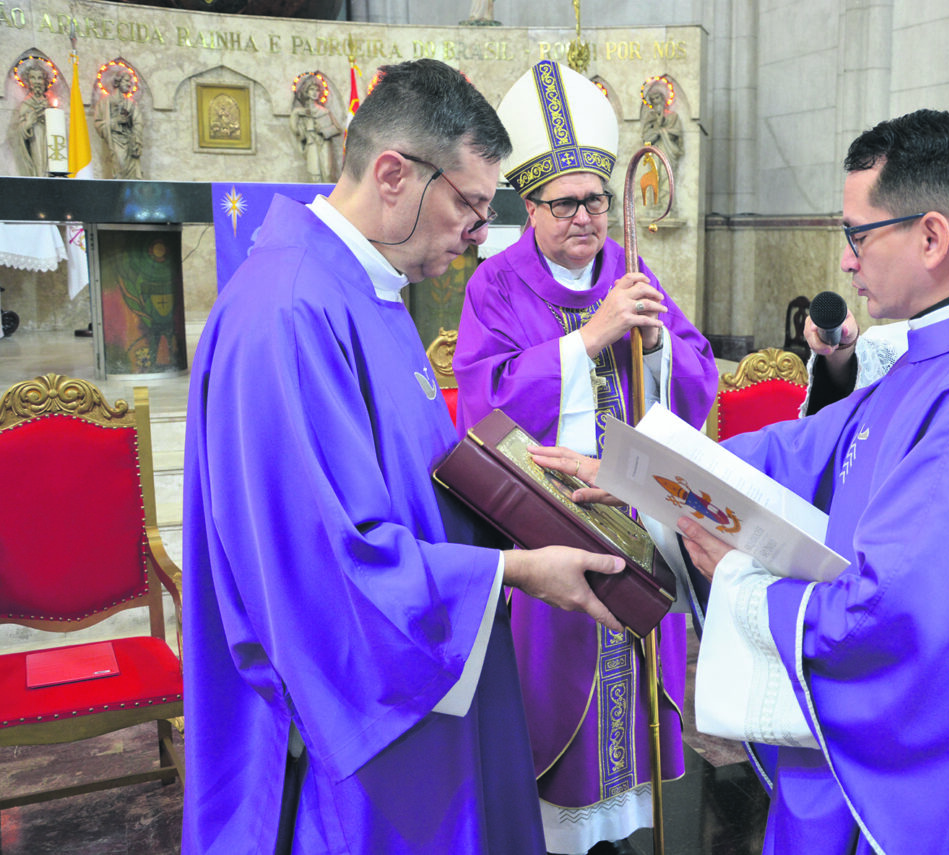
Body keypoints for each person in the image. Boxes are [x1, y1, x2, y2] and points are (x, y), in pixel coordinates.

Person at [183, 58, 629, 855]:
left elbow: (410, 477)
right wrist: (514, 573)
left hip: (429, 668)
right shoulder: (290, 311)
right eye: (470, 204)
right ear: (394, 173)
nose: (478, 233)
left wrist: (526, 494)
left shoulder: (364, 288)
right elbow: (323, 570)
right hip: (361, 724)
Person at [676, 110, 949, 853]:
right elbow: (817, 445)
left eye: (857, 234)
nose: (846, 263)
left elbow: (892, 620)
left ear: (933, 236)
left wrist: (746, 587)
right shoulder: (948, 352)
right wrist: (647, 463)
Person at [453, 60, 718, 855]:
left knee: (639, 690)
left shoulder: (632, 273)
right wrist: (586, 343)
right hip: (552, 529)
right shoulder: (494, 288)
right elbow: (483, 411)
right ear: (529, 207)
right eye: (566, 203)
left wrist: (662, 344)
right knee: (557, 688)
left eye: (597, 200)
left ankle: (631, 820)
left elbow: (697, 371)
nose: (586, 218)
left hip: (638, 518)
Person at [289, 74, 341, 183]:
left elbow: (337, 128)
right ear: (306, 92)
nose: (314, 93)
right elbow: (296, 129)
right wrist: (297, 113)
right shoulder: (302, 112)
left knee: (327, 172)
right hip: (311, 143)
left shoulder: (324, 111)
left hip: (323, 143)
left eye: (317, 90)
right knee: (314, 173)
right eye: (311, 90)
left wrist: (322, 131)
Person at [95, 67, 143, 179]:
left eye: (130, 82)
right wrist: (114, 122)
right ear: (118, 82)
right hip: (115, 140)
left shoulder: (131, 104)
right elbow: (98, 123)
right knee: (120, 166)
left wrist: (137, 142)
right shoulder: (105, 103)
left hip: (129, 141)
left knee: (132, 172)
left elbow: (138, 122)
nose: (129, 84)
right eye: (126, 81)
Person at [13, 60, 51, 177]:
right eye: (33, 78)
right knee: (39, 165)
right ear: (28, 82)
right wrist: (29, 123)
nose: (37, 82)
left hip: (50, 141)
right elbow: (19, 131)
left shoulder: (49, 104)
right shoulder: (26, 104)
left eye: (40, 78)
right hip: (36, 138)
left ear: (45, 82)